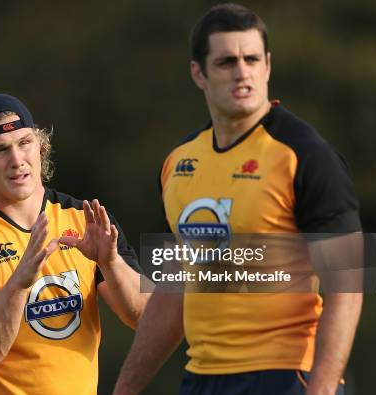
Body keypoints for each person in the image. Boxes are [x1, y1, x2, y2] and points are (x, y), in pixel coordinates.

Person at [114, 3, 362, 395]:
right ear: (199, 73)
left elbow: (347, 287)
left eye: (251, 59)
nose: (242, 72)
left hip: (285, 376)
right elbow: (173, 289)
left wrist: (323, 388)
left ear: (267, 65)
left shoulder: (306, 155)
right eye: (227, 61)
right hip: (201, 378)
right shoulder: (179, 163)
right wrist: (124, 388)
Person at [0, 93, 151, 395]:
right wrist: (17, 286)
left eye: (24, 143)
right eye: (0, 150)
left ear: (40, 146)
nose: (17, 160)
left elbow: (145, 319)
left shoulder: (87, 220)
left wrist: (110, 264)